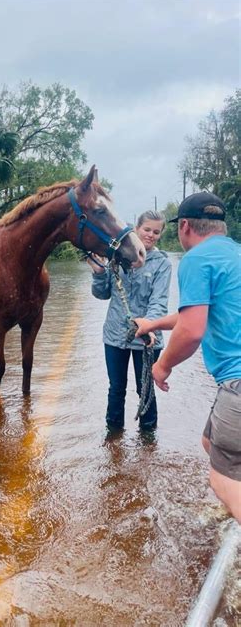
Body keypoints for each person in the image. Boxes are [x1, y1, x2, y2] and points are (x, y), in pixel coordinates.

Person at [135, 192, 241, 522]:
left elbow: (193, 331)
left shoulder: (196, 259)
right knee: (211, 443)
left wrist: (162, 366)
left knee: (221, 480)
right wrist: (153, 323)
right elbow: (195, 316)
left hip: (236, 382)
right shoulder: (235, 254)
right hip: (231, 386)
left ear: (184, 226)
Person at [88, 210, 172, 431]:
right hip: (115, 335)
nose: (151, 235)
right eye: (147, 229)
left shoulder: (162, 264)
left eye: (156, 232)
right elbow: (102, 293)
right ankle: (113, 438)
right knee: (116, 388)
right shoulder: (117, 256)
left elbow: (159, 302)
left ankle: (148, 439)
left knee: (145, 388)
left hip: (147, 338)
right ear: (136, 229)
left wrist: (150, 326)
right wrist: (98, 273)